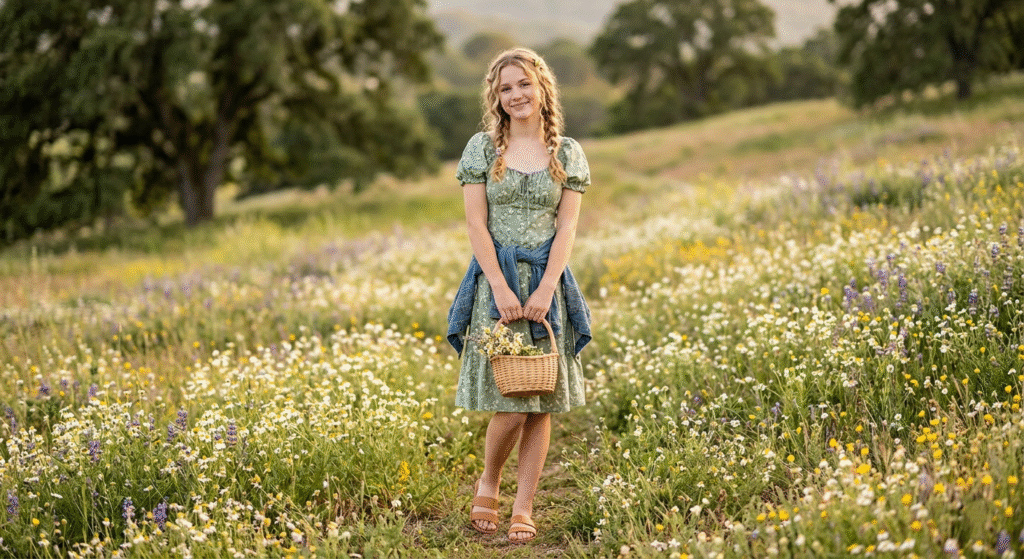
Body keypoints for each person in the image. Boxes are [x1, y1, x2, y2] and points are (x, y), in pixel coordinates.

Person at [446, 47, 592, 543]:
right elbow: (475, 224)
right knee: (509, 400)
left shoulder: (566, 152)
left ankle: (523, 505)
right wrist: (502, 287)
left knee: (539, 401)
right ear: (496, 96)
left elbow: (568, 225)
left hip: (548, 282)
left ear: (542, 87)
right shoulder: (483, 150)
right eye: (506, 88)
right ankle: (490, 479)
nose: (516, 95)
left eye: (523, 84)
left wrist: (549, 286)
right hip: (497, 285)